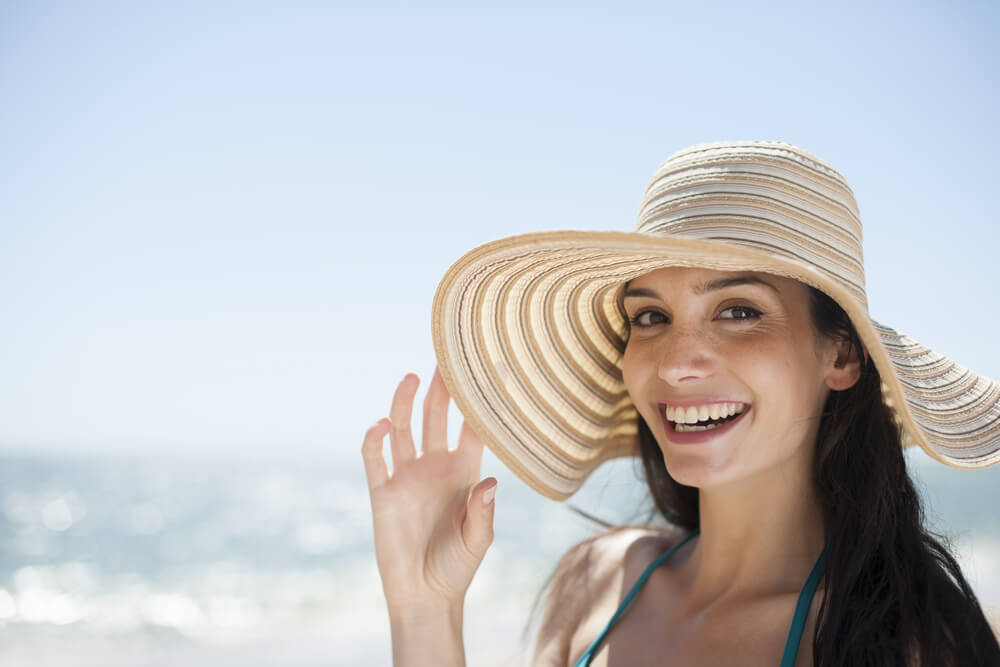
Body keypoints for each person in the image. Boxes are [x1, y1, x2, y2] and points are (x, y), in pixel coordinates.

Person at [361, 141, 1000, 666]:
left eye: (740, 311)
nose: (673, 361)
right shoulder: (595, 586)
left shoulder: (908, 645)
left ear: (841, 356)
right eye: (650, 316)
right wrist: (424, 610)